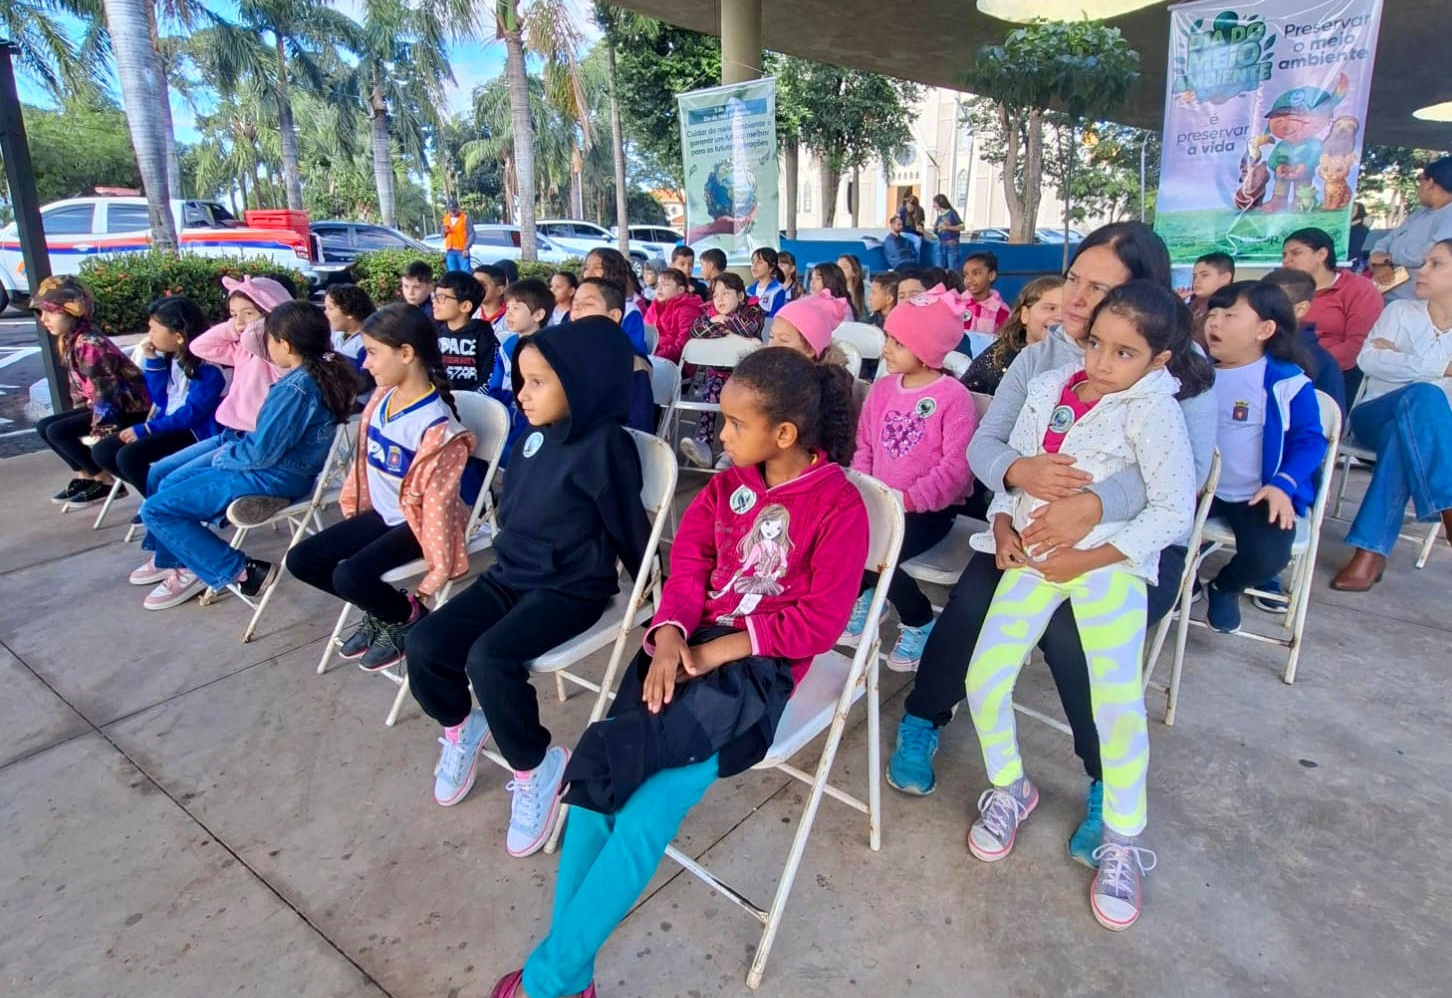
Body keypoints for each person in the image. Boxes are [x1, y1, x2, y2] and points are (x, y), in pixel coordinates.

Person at [489, 347, 868, 998]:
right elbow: (688, 570)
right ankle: (568, 975)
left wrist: (717, 651)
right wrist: (667, 636)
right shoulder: (725, 489)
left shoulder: (839, 507)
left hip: (756, 674)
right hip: (681, 650)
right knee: (593, 782)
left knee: (643, 816)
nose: (719, 436)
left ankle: (549, 981)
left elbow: (820, 624)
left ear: (783, 434)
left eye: (733, 425)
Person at [891, 223, 1216, 871]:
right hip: (1033, 522)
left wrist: (1091, 507)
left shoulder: (1182, 377)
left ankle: (1106, 785)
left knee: (1073, 642)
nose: (1075, 296)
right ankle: (926, 717)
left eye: (1099, 287)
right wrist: (1019, 476)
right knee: (974, 601)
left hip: (1129, 543)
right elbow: (990, 447)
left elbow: (1177, 482)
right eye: (1073, 278)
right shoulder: (1042, 361)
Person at [962, 279, 1208, 932]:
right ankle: (1011, 786)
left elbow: (1173, 510)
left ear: (1159, 360)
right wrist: (1006, 525)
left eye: (1124, 353)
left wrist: (1092, 557)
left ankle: (1123, 839)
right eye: (1096, 343)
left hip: (1109, 568)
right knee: (984, 678)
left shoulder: (1154, 410)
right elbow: (1023, 471)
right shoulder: (1048, 388)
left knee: (1116, 703)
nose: (1102, 363)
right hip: (1036, 556)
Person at [403, 319, 651, 858]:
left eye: (538, 382)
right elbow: (514, 507)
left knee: (489, 659)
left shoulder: (607, 446)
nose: (523, 393)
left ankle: (537, 766)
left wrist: (661, 596)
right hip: (509, 575)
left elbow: (632, 528)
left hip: (568, 590)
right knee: (424, 644)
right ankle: (461, 726)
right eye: (522, 379)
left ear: (581, 383)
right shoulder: (534, 434)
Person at [286, 304, 475, 671]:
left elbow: (436, 507)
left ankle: (406, 615)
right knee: (301, 559)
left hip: (420, 526)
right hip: (384, 515)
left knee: (350, 575)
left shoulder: (437, 427)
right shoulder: (382, 398)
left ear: (406, 353)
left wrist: (436, 573)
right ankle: (386, 611)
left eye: (372, 353)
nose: (365, 363)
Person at [138, 302, 358, 611]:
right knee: (173, 480)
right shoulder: (325, 371)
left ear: (286, 344)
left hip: (272, 475)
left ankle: (241, 571)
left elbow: (260, 452)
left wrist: (223, 456)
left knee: (156, 510)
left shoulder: (297, 387)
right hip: (282, 470)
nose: (265, 346)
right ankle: (189, 558)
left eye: (268, 339)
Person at [844, 285, 978, 670]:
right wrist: (868, 493)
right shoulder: (883, 389)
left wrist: (908, 501)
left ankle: (919, 620)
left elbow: (955, 469)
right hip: (882, 502)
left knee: (881, 552)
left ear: (928, 350)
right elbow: (865, 445)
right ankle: (866, 594)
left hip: (930, 510)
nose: (887, 348)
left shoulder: (954, 397)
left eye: (898, 342)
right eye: (888, 337)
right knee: (844, 536)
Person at [1199, 281, 1328, 634]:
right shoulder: (1197, 375)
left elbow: (1310, 441)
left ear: (1264, 329)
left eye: (1230, 315)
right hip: (1198, 490)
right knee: (1164, 534)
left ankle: (1225, 586)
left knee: (1269, 555)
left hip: (1258, 494)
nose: (1215, 322)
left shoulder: (1287, 382)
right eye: (1212, 314)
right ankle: (1186, 577)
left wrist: (1283, 485)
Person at [1330, 238, 1452, 592]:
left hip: (1424, 433)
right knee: (1426, 394)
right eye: (1424, 261)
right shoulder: (1400, 312)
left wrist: (1400, 360)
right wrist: (1441, 369)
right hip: (1374, 415)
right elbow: (1369, 360)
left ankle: (1369, 552)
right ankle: (1447, 500)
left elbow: (1387, 362)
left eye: (1435, 264)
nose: (1421, 270)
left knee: (1409, 429)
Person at [92, 297, 225, 498]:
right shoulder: (173, 358)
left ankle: (163, 503)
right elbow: (161, 400)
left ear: (179, 336)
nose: (150, 335)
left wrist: (147, 429)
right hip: (170, 423)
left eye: (154, 329)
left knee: (129, 457)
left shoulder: (208, 369)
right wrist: (153, 361)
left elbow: (191, 414)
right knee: (104, 451)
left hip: (195, 432)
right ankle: (160, 498)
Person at [34, 280, 150, 507]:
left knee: (58, 431)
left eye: (50, 312)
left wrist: (102, 431)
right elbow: (80, 389)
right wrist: (79, 414)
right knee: (45, 426)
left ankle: (102, 480)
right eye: (41, 313)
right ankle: (86, 475)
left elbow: (105, 395)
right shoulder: (71, 340)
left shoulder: (90, 343)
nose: (44, 319)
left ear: (72, 311)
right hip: (107, 406)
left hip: (129, 409)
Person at [1282, 227, 1383, 400]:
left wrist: (1307, 364)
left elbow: (1358, 345)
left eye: (1296, 253)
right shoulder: (1280, 289)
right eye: (1284, 256)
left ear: (1321, 254)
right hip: (1284, 366)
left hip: (1337, 372)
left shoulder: (1358, 289)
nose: (1287, 261)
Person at [679, 273, 766, 470]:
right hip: (717, 376)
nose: (719, 299)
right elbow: (696, 330)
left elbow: (749, 329)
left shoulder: (754, 311)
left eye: (726, 293)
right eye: (716, 294)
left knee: (738, 407)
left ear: (741, 297)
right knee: (709, 395)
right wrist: (719, 323)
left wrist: (722, 321)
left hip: (745, 379)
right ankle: (704, 446)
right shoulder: (709, 314)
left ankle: (730, 451)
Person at [570, 278, 657, 436]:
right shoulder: (563, 355)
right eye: (575, 304)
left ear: (613, 315)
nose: (577, 310)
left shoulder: (632, 366)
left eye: (588, 304)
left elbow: (638, 430)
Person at [1260, 268, 1347, 416]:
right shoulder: (1247, 348)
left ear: (1301, 309)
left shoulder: (1321, 361)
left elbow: (1329, 424)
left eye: (1276, 305)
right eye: (1259, 304)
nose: (1262, 311)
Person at [961, 275, 1065, 396]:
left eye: (1067, 310)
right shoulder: (1000, 356)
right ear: (1025, 315)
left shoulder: (1078, 362)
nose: (1060, 317)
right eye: (1050, 308)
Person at [1369, 157, 1452, 300]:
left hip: (1418, 304)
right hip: (1386, 296)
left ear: (1429, 183)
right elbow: (1386, 240)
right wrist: (1380, 263)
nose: (1418, 187)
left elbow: (1426, 255)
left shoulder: (1448, 216)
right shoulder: (1420, 212)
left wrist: (1387, 259)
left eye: (1420, 180)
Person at [433, 271, 497, 396]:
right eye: (435, 297)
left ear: (465, 306)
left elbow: (490, 374)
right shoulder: (434, 332)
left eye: (441, 298)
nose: (434, 302)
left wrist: (470, 399)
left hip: (475, 403)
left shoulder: (483, 334)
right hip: (440, 400)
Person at [583, 248, 649, 356]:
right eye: (586, 268)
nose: (589, 272)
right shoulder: (579, 306)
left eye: (597, 267)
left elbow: (635, 353)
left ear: (613, 272)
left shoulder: (629, 311)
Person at [766, 288, 852, 364]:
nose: (772, 345)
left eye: (784, 340)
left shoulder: (824, 381)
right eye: (771, 336)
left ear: (810, 349)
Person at [645, 267, 707, 364]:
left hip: (678, 363)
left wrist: (655, 357)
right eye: (658, 285)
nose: (659, 288)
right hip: (654, 356)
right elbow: (645, 333)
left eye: (665, 285)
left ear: (680, 289)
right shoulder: (654, 306)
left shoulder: (687, 309)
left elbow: (683, 344)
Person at [322, 283, 377, 376]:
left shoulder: (364, 343)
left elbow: (363, 376)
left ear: (349, 312)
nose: (325, 313)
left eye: (330, 308)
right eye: (325, 308)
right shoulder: (337, 334)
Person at [1188, 251, 1235, 348]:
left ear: (1225, 278)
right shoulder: (1192, 305)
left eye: (1205, 275)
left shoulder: (1230, 308)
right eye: (1194, 276)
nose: (1197, 281)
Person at [961, 251, 1011, 337]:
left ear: (991, 276)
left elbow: (1006, 339)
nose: (969, 280)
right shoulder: (958, 304)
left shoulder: (1001, 310)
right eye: (965, 275)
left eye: (976, 273)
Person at [747, 247, 788, 316]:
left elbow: (775, 317)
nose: (754, 265)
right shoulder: (749, 290)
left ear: (771, 267)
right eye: (753, 262)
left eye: (759, 262)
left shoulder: (778, 291)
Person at [472, 264, 509, 339]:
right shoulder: (470, 315)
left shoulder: (511, 317)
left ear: (499, 290)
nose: (475, 288)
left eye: (481, 285)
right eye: (473, 284)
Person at [931, 193, 965, 273]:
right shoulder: (939, 217)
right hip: (941, 244)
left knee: (953, 270)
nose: (933, 206)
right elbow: (935, 235)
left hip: (951, 244)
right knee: (938, 270)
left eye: (935, 203)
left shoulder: (951, 213)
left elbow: (962, 226)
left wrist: (947, 227)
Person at [442, 200, 474, 273]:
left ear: (458, 208)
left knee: (465, 273)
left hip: (462, 250)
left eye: (454, 210)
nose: (453, 213)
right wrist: (444, 231)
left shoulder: (465, 218)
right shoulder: (446, 218)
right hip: (450, 251)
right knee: (452, 274)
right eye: (451, 211)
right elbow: (442, 235)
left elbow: (471, 234)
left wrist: (466, 248)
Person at [838, 253, 868, 321]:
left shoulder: (865, 287)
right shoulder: (834, 290)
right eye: (838, 268)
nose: (839, 271)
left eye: (844, 267)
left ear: (854, 272)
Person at [1347, 202, 1371, 268]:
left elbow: (1354, 251)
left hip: (1351, 263)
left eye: (1353, 211)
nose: (1350, 213)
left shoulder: (1360, 229)